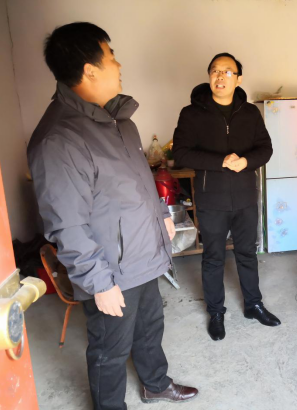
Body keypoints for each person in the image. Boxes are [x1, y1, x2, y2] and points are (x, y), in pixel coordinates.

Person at [27, 22, 198, 409]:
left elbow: (136, 182)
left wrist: (161, 214)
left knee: (150, 326)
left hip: (143, 253)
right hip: (112, 269)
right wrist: (98, 282)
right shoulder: (60, 139)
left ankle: (155, 383)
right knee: (110, 348)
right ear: (90, 70)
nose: (119, 65)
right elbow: (67, 224)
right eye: (112, 56)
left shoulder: (119, 121)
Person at [173, 52, 281, 341]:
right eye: (215, 71)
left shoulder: (250, 113)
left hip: (245, 197)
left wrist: (246, 161)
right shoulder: (191, 113)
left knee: (247, 253)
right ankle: (216, 312)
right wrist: (220, 161)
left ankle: (254, 305)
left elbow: (266, 148)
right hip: (212, 199)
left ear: (238, 79)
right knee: (213, 257)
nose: (220, 76)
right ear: (209, 76)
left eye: (227, 71)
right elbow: (180, 153)